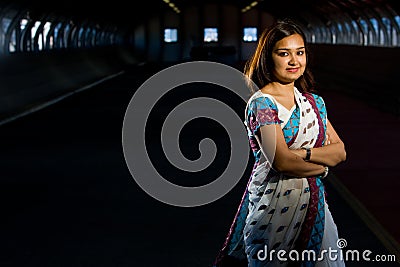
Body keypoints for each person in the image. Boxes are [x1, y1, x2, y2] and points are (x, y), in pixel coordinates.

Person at [213, 19, 347, 267]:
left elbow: (339, 151)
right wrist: (321, 167)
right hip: (271, 212)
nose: (294, 61)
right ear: (268, 57)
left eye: (300, 52)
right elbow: (281, 161)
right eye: (284, 54)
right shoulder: (262, 103)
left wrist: (304, 154)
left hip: (314, 207)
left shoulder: (314, 103)